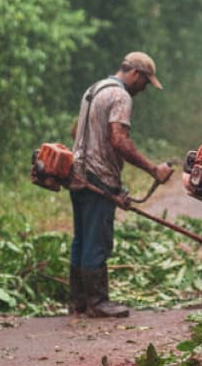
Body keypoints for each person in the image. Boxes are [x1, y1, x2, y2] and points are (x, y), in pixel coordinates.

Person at [69, 52, 173, 318]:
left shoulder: (94, 89)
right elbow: (119, 140)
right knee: (97, 239)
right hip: (98, 176)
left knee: (81, 237)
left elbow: (76, 131)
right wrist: (153, 169)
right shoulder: (120, 96)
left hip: (77, 172)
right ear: (136, 74)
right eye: (145, 83)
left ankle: (79, 300)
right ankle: (97, 302)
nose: (144, 89)